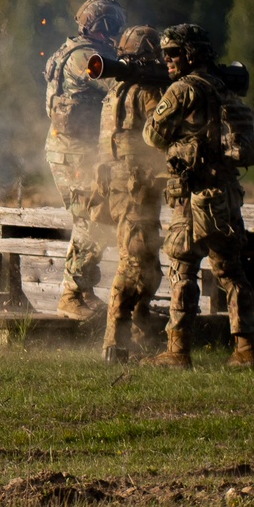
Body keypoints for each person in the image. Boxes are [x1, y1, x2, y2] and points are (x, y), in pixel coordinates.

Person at [141, 24, 254, 368]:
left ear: (192, 53)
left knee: (182, 269)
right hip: (225, 194)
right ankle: (245, 349)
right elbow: (249, 147)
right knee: (231, 272)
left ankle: (178, 351)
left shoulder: (182, 90)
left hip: (192, 198)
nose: (167, 59)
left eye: (174, 52)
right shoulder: (226, 89)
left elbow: (153, 136)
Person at [44, 0, 126, 320]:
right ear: (102, 26)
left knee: (98, 218)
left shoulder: (72, 49)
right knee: (92, 220)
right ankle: (71, 294)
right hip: (73, 152)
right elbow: (115, 86)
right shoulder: (86, 57)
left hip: (75, 149)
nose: (117, 33)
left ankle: (83, 291)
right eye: (113, 27)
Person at [96, 26, 168, 363]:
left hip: (125, 185)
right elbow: (161, 134)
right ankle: (116, 339)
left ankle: (140, 332)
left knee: (148, 262)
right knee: (135, 259)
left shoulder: (115, 92)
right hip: (136, 187)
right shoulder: (143, 92)